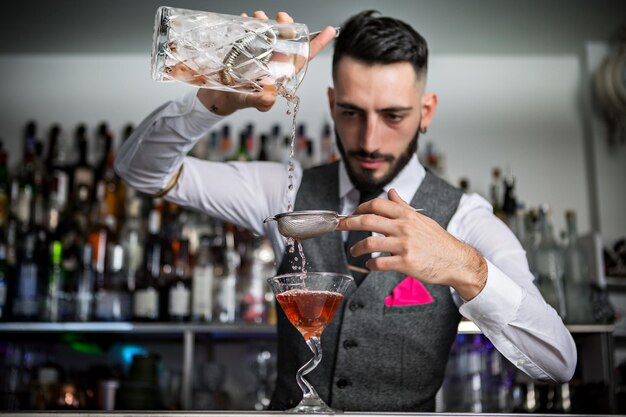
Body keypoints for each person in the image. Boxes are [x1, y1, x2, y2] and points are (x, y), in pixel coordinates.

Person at [115, 9, 576, 412]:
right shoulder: (286, 190)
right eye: (353, 113)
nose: (371, 141)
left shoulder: (467, 219)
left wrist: (465, 266)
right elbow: (141, 172)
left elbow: (559, 362)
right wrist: (214, 102)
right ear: (332, 105)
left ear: (426, 111)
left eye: (394, 116)